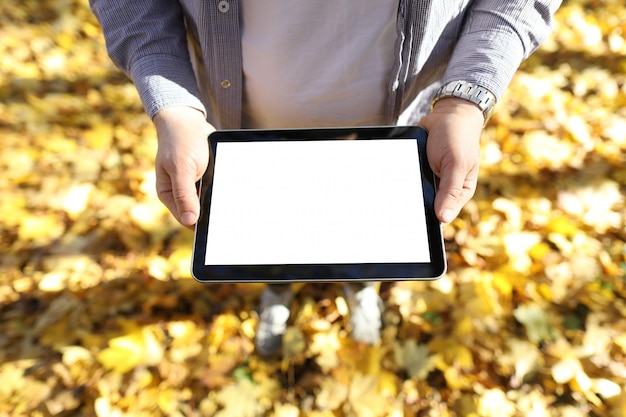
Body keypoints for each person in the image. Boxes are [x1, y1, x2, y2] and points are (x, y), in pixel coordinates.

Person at [90, 0, 561, 357]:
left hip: (398, 135)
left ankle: (362, 286)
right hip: (244, 133)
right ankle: (277, 285)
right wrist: (173, 104)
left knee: (369, 239)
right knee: (266, 238)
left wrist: (466, 99)